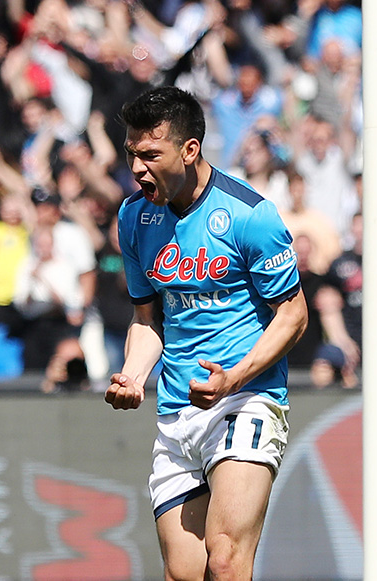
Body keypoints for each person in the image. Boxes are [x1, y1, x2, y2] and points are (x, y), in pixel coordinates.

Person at [105, 86, 307, 580]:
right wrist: (133, 375)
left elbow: (293, 316)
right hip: (177, 415)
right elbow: (148, 320)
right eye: (132, 154)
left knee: (226, 559)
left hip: (245, 401)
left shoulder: (249, 215)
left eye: (150, 154)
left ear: (189, 150)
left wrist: (234, 378)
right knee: (185, 574)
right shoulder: (134, 217)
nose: (137, 168)